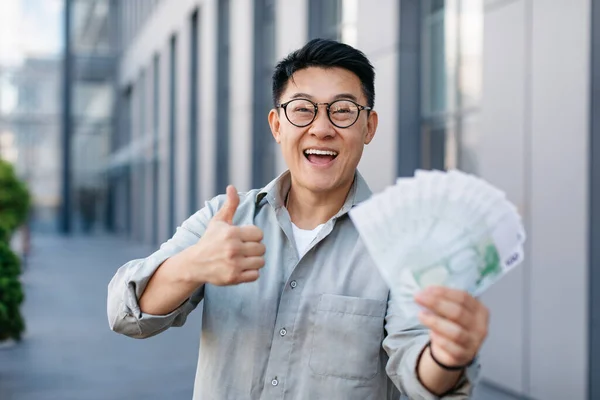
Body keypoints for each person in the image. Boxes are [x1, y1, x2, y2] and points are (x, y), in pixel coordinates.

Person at [107, 38, 489, 399]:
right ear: (277, 125)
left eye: (342, 111)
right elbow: (126, 315)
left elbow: (420, 370)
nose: (321, 129)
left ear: (368, 127)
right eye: (303, 109)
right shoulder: (223, 221)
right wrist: (191, 265)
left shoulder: (403, 244)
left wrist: (448, 354)